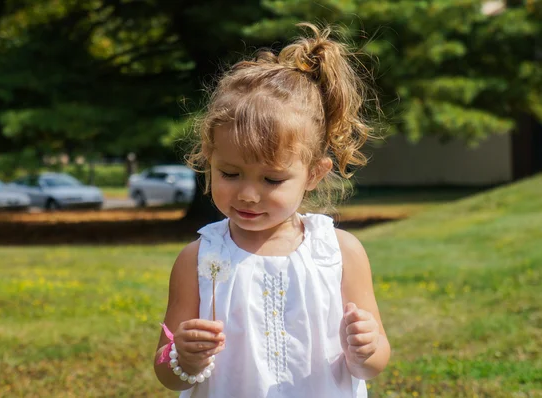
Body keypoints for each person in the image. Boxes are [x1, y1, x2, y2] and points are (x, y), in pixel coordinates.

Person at [154, 23, 390, 397]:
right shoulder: (199, 258)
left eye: (272, 180)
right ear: (209, 160)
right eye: (230, 173)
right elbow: (167, 373)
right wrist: (185, 356)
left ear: (314, 173)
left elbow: (373, 364)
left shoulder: (339, 253)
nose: (248, 194)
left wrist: (367, 347)